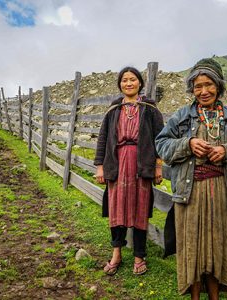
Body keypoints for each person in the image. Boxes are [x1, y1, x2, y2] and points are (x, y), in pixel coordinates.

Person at [155, 58, 227, 299]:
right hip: (189, 193)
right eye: (197, 86)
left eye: (209, 85)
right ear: (191, 89)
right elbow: (161, 145)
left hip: (221, 192)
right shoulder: (182, 116)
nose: (203, 91)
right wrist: (188, 143)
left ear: (219, 86)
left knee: (216, 247)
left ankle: (214, 297)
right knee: (191, 247)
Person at [94, 66, 164, 276]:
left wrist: (158, 166)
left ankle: (139, 256)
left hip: (141, 164)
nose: (128, 83)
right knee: (116, 210)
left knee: (140, 209)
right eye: (124, 80)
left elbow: (160, 139)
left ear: (140, 83)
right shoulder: (113, 110)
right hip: (116, 163)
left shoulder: (150, 109)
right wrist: (100, 166)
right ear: (120, 85)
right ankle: (117, 253)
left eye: (132, 79)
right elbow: (103, 138)